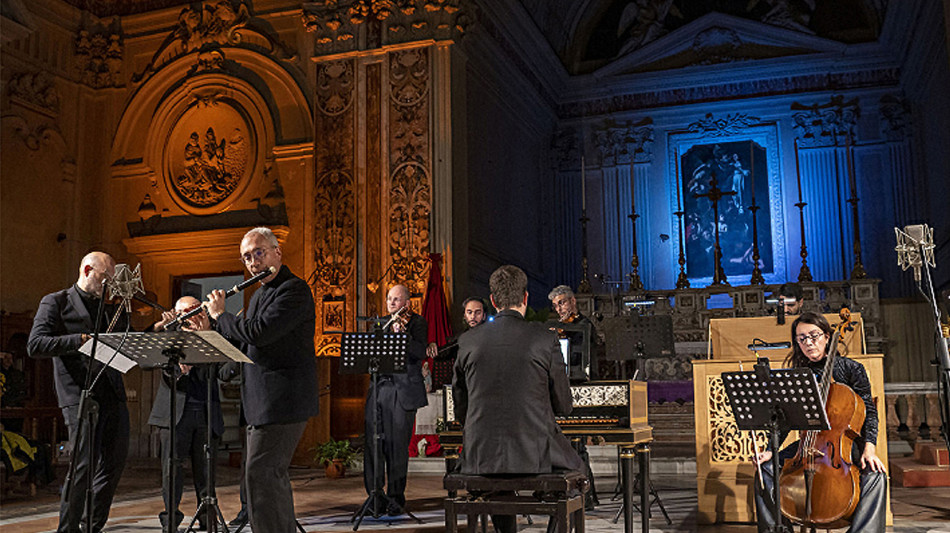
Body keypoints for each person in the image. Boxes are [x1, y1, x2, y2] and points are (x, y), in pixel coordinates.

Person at [454, 265, 584, 533]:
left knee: (500, 478)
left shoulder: (467, 342)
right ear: (525, 298)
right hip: (534, 451)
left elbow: (461, 408)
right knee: (581, 473)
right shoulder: (545, 339)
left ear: (492, 301)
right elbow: (564, 406)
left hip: (481, 454)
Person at [205, 227, 319, 533]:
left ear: (276, 253)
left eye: (259, 253)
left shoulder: (294, 290)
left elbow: (258, 333)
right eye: (246, 257)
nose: (253, 262)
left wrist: (220, 315)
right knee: (265, 477)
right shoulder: (259, 295)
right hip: (261, 401)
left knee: (262, 475)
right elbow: (246, 345)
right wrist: (209, 331)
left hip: (283, 401)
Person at [753, 311, 886, 533]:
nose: (808, 342)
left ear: (826, 336)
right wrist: (769, 449)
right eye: (801, 338)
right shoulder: (797, 374)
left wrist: (870, 448)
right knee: (764, 470)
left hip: (843, 444)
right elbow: (785, 418)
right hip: (807, 443)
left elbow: (869, 411)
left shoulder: (851, 369)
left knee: (876, 476)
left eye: (814, 335)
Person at [27, 251, 130, 533]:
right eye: (105, 278)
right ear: (87, 270)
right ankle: (68, 528)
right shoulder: (56, 301)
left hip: (112, 394)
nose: (109, 285)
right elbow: (35, 345)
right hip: (79, 395)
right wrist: (79, 340)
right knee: (82, 467)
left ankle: (92, 525)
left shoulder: (107, 307)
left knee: (114, 464)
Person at [148, 296, 226, 531]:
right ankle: (170, 522)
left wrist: (208, 336)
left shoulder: (211, 334)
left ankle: (207, 520)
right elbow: (148, 361)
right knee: (171, 470)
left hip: (205, 411)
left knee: (206, 470)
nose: (188, 316)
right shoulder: (168, 336)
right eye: (182, 312)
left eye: (193, 310)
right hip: (174, 413)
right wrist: (178, 370)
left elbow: (224, 370)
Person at [363, 284, 428, 516]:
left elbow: (420, 352)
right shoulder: (380, 324)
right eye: (389, 298)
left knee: (397, 447)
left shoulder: (417, 323)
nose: (391, 303)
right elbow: (368, 355)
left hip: (403, 391)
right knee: (373, 444)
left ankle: (396, 498)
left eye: (396, 299)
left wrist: (404, 336)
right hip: (380, 388)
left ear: (407, 303)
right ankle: (375, 496)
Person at [548, 284, 602, 509]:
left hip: (580, 391)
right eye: (555, 305)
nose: (559, 308)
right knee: (564, 443)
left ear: (572, 302)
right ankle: (572, 491)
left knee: (578, 445)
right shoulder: (555, 328)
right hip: (560, 390)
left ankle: (586, 495)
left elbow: (589, 361)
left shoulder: (584, 326)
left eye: (562, 303)